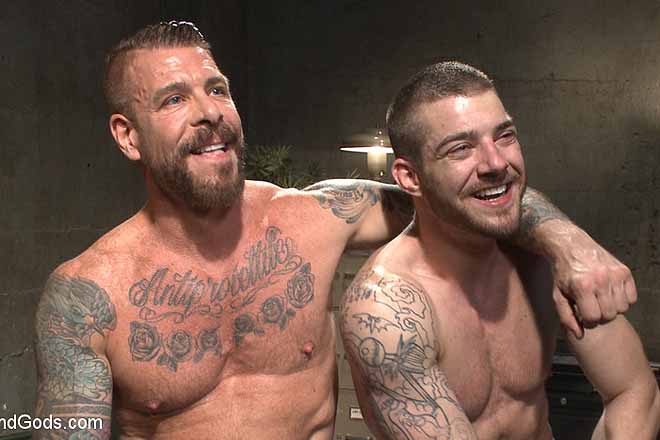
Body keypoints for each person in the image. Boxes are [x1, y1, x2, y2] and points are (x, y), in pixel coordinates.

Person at [34, 23, 636, 440]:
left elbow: (463, 195)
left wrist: (568, 242)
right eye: (173, 99)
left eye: (217, 89)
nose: (209, 111)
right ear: (128, 136)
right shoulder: (87, 296)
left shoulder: (313, 218)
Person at [340, 61, 660, 439]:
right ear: (410, 177)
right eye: (461, 148)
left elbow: (634, 391)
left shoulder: (546, 260)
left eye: (504, 136)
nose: (496, 163)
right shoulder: (387, 308)